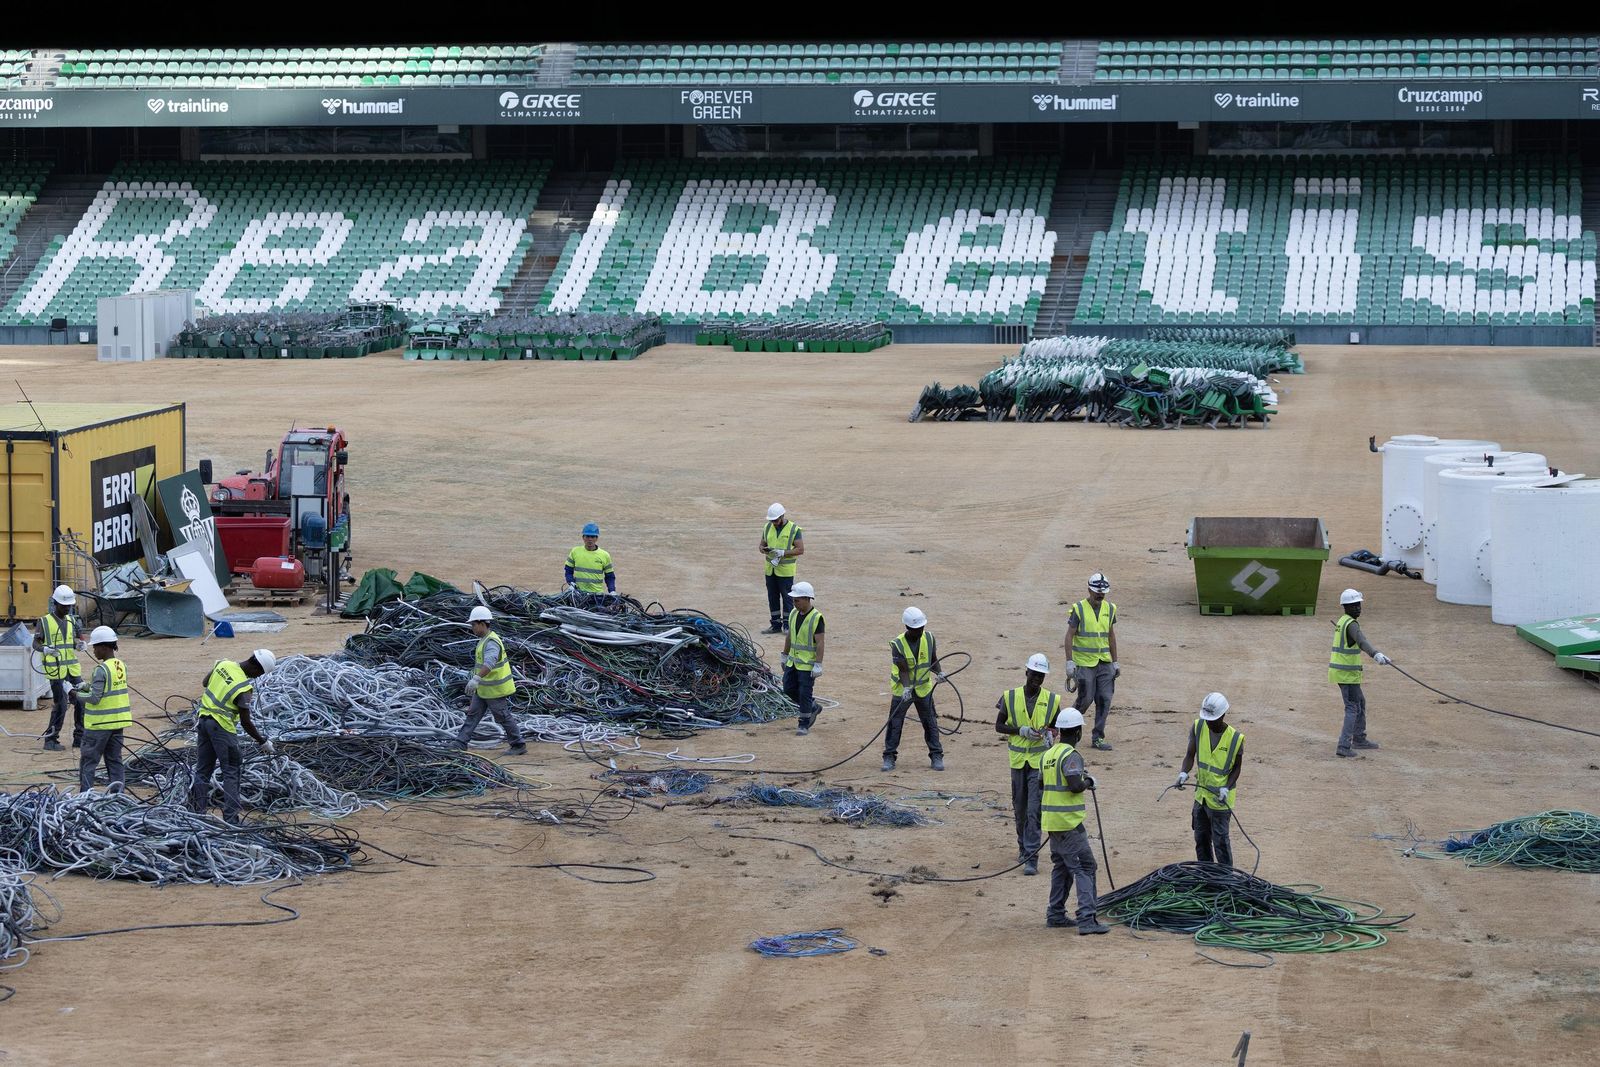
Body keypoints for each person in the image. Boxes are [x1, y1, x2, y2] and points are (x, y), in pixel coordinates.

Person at [1039, 707, 1109, 934]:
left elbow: (1041, 784)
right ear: (1078, 732)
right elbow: (1074, 785)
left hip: (1052, 823)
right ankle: (1087, 919)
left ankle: (1056, 914)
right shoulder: (1071, 755)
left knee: (1062, 867)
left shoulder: (1048, 754)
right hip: (1068, 824)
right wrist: (1088, 782)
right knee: (1086, 867)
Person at [190, 650, 278, 825]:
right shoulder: (243, 688)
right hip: (222, 728)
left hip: (204, 721)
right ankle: (231, 819)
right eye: (259, 673)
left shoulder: (223, 664)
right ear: (256, 666)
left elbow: (205, 683)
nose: (257, 677)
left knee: (202, 770)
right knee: (231, 772)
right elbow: (245, 721)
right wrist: (262, 741)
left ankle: (196, 813)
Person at [994, 653, 1061, 876]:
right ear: (1026, 672)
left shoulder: (1052, 700)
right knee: (1020, 808)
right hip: (1017, 762)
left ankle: (1031, 856)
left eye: (1041, 676)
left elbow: (1055, 727)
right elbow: (999, 726)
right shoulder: (1009, 697)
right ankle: (1023, 847)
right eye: (1034, 674)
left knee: (1035, 809)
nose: (1037, 679)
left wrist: (1051, 735)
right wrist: (1019, 730)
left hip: (1039, 764)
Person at [1175, 692, 1243, 866]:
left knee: (1220, 842)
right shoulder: (1198, 727)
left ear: (1223, 715)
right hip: (1201, 797)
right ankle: (1207, 877)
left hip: (1221, 800)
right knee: (1201, 839)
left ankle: (1225, 879)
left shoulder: (1235, 739)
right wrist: (1184, 772)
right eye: (1207, 719)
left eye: (1212, 719)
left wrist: (1227, 787)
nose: (1209, 722)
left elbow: (1236, 768)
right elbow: (1190, 755)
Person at [456, 605, 526, 755]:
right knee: (473, 714)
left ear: (482, 623)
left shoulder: (491, 642)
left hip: (495, 690)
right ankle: (460, 743)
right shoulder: (484, 639)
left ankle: (518, 744)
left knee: (503, 716)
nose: (472, 628)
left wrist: (476, 678)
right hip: (484, 689)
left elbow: (489, 663)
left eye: (473, 625)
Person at [1330, 588, 1390, 758]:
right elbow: (1362, 641)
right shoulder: (1351, 624)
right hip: (1345, 674)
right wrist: (1376, 654)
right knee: (1352, 707)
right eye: (1353, 605)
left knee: (1359, 703)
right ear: (1345, 607)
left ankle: (1359, 738)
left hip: (1345, 673)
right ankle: (1343, 745)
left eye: (1358, 605)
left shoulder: (1343, 621)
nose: (1357, 608)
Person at [884, 606, 945, 772]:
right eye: (917, 629)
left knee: (930, 722)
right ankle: (889, 756)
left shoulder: (929, 638)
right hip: (902, 690)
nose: (920, 631)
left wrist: (939, 672)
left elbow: (932, 659)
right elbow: (903, 669)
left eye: (922, 627)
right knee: (895, 724)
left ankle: (936, 755)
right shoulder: (897, 644)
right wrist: (906, 688)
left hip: (923, 689)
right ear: (908, 628)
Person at [1064, 572, 1119, 750]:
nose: (1100, 595)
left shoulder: (1110, 609)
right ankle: (1068, 730)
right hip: (1084, 663)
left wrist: (1115, 662)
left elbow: (1111, 636)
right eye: (1097, 592)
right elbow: (1069, 635)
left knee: (1104, 699)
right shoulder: (1079, 609)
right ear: (1089, 590)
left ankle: (1098, 738)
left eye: (1102, 593)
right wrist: (1069, 662)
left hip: (1104, 663)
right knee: (1085, 699)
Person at [77, 627, 130, 794]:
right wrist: (87, 686)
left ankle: (85, 798)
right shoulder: (120, 665)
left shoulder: (101, 669)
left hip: (99, 726)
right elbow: (107, 690)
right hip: (117, 723)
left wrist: (75, 694)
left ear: (105, 647)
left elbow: (94, 698)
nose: (93, 651)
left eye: (95, 647)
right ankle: (118, 797)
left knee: (88, 762)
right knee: (115, 761)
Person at [35, 584, 86, 751]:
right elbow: (36, 643)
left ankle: (79, 738)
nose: (67, 608)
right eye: (64, 606)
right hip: (56, 671)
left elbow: (73, 640)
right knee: (61, 705)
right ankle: (50, 740)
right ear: (55, 604)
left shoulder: (71, 620)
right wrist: (46, 649)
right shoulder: (44, 622)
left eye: (69, 606)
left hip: (72, 669)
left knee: (81, 701)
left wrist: (78, 645)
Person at [780, 581, 824, 735]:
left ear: (807, 599)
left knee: (805, 693)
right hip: (793, 661)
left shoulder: (817, 618)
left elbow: (820, 643)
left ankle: (803, 724)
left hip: (807, 664)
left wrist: (818, 664)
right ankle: (812, 706)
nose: (794, 603)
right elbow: (790, 637)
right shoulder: (793, 613)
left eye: (797, 600)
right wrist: (784, 655)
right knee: (788, 688)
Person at [760, 502, 805, 634]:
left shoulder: (793, 529)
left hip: (785, 571)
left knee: (787, 598)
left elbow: (800, 549)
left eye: (775, 520)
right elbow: (761, 545)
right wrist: (764, 549)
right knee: (772, 597)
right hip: (770, 569)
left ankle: (787, 625)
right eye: (772, 520)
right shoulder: (767, 527)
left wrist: (782, 552)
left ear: (782, 516)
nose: (773, 522)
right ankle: (775, 624)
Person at [565, 523, 616, 595]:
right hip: (579, 594)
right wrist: (571, 582)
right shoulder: (575, 552)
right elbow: (568, 571)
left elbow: (610, 576)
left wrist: (612, 590)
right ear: (583, 537)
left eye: (592, 537)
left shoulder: (604, 555)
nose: (590, 539)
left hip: (597, 595)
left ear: (596, 538)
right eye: (587, 536)